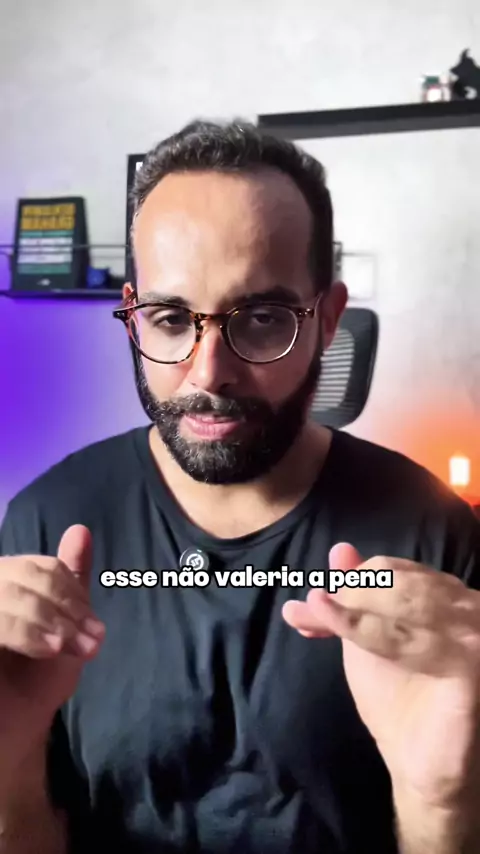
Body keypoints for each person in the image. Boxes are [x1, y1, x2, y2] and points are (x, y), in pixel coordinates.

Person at [1, 120, 480, 854]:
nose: (208, 372)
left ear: (327, 320)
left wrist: (441, 805)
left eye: (260, 319)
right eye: (170, 318)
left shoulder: (432, 536)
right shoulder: (48, 521)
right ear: (133, 315)